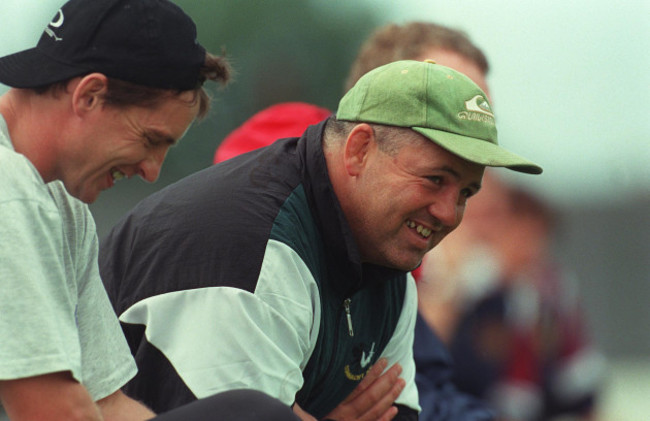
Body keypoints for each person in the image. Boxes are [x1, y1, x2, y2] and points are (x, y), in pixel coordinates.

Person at [99, 56, 543, 420]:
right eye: (434, 179)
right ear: (359, 149)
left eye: (465, 192)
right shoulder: (252, 251)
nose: (449, 213)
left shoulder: (386, 254)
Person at [0, 0, 300, 419]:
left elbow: (107, 402)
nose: (152, 172)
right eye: (149, 139)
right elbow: (52, 410)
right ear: (89, 96)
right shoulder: (8, 187)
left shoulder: (63, 204)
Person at [418, 172, 606, 421]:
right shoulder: (442, 274)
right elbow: (422, 360)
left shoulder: (548, 293)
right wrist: (457, 285)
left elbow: (579, 389)